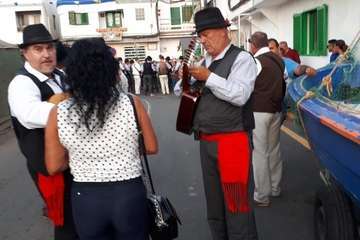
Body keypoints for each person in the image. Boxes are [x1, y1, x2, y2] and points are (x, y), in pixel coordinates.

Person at [44, 38, 158, 240]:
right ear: (109, 68)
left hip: (86, 198)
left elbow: (53, 166)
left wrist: (83, 155)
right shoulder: (132, 103)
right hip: (128, 193)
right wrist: (123, 149)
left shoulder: (59, 112)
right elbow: (151, 147)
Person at [185, 7, 258, 240]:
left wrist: (208, 77)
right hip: (206, 141)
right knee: (215, 206)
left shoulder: (243, 58)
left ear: (223, 31)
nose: (202, 40)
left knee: (236, 205)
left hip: (232, 142)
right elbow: (188, 93)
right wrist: (186, 80)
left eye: (205, 34)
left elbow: (240, 95)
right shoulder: (206, 60)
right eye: (200, 35)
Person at [7, 23, 78, 240]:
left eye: (50, 48)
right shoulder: (21, 83)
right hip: (49, 166)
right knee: (66, 222)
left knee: (80, 214)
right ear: (25, 53)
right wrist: (78, 109)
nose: (46, 55)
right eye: (38, 49)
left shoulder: (60, 74)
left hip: (72, 161)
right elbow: (32, 113)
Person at [249, 32, 285, 207]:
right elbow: (283, 80)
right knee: (274, 150)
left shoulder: (255, 61)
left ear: (253, 44)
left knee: (260, 153)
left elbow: (246, 86)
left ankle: (262, 195)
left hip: (259, 111)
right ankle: (275, 187)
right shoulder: (279, 59)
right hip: (276, 110)